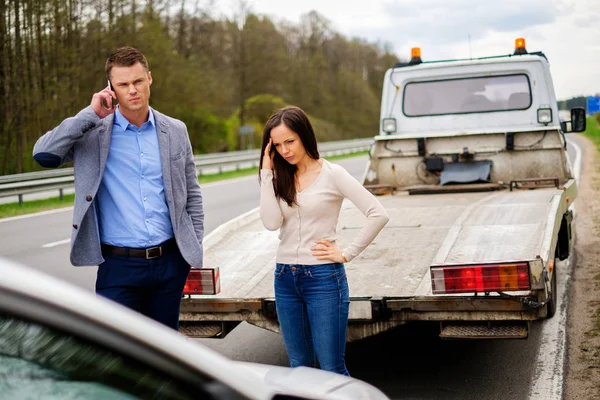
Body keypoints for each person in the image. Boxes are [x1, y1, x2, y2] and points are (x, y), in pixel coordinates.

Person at [32, 47, 204, 330]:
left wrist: (191, 251)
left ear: (149, 79)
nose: (132, 90)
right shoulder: (93, 132)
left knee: (165, 357)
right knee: (119, 360)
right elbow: (43, 154)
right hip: (118, 267)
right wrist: (90, 113)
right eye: (123, 84)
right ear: (110, 88)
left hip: (170, 264)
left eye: (137, 81)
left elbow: (193, 194)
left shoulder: (175, 130)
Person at [258, 106, 389, 375]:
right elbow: (271, 223)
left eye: (290, 141)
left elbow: (378, 214)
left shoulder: (333, 173)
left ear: (305, 135)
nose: (285, 151)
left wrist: (347, 253)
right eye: (278, 145)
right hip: (284, 278)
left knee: (331, 368)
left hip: (323, 279)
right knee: (299, 368)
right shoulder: (279, 177)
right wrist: (266, 173)